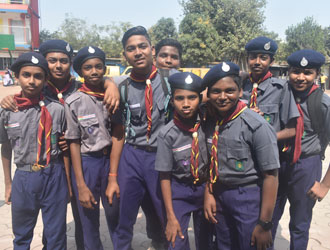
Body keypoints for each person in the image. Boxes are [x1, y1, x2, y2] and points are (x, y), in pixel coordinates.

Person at [112, 26, 178, 250]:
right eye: (131, 49)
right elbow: (118, 131)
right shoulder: (120, 86)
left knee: (163, 210)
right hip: (131, 156)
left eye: (142, 46)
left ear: (152, 49)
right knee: (124, 213)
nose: (137, 52)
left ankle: (162, 244)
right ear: (125, 55)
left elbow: (210, 87)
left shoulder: (172, 79)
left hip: (161, 157)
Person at [203, 62, 280, 250]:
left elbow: (271, 176)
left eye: (230, 90)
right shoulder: (209, 120)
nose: (222, 97)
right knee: (224, 244)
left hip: (247, 197)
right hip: (219, 194)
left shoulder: (256, 125)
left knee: (250, 244)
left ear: (240, 91)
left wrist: (264, 224)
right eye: (215, 91)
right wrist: (209, 192)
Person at [0, 52, 69, 249]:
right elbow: (5, 147)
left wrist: (68, 186)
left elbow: (66, 148)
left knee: (56, 236)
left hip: (54, 175)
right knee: (21, 235)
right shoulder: (7, 111)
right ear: (17, 77)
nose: (32, 81)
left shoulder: (57, 110)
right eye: (26, 75)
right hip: (24, 176)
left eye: (38, 76)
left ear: (46, 79)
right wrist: (8, 183)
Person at [64, 45, 124, 250]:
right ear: (79, 72)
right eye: (88, 67)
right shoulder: (73, 102)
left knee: (116, 213)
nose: (94, 71)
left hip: (111, 162)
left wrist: (113, 175)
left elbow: (118, 133)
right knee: (88, 219)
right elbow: (73, 142)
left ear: (105, 69)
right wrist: (80, 184)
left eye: (99, 66)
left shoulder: (113, 97)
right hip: (87, 163)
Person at [271, 49, 330, 250]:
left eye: (308, 72)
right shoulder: (279, 94)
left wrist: (325, 185)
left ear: (317, 74)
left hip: (306, 165)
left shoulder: (322, 103)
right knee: (267, 218)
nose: (301, 77)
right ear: (289, 72)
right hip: (277, 162)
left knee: (299, 223)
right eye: (296, 71)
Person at [155, 72, 212, 249]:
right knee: (176, 241)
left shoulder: (208, 123)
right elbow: (164, 175)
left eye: (192, 98)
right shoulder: (167, 134)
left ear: (200, 99)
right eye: (180, 98)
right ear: (172, 101)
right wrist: (170, 216)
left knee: (206, 240)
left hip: (206, 189)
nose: (186, 104)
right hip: (179, 191)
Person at [242, 36, 299, 142]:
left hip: (268, 152)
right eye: (253, 57)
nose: (257, 62)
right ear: (247, 60)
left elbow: (291, 129)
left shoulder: (281, 88)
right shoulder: (239, 85)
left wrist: (266, 139)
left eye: (263, 58)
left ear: (271, 61)